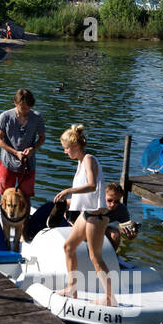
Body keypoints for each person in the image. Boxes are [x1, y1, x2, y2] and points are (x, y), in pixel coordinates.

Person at [54, 124, 114, 306]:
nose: (65, 152)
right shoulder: (80, 162)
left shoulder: (88, 159)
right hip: (86, 214)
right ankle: (72, 288)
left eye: (66, 148)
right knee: (68, 247)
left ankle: (110, 298)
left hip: (97, 217)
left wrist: (68, 191)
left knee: (95, 258)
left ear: (76, 146)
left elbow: (92, 185)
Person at [0, 88, 45, 198]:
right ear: (15, 103)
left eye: (28, 108)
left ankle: (26, 216)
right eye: (23, 108)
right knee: (6, 197)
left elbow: (42, 138)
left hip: (28, 164)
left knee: (26, 197)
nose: (26, 111)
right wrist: (15, 152)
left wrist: (33, 148)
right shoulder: (5, 117)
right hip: (8, 163)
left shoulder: (37, 117)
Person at [102, 182, 138, 251]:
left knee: (115, 234)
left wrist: (131, 234)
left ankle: (113, 256)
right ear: (103, 196)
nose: (112, 204)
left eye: (116, 201)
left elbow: (126, 226)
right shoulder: (96, 203)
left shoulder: (121, 209)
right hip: (85, 225)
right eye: (109, 200)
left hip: (101, 227)